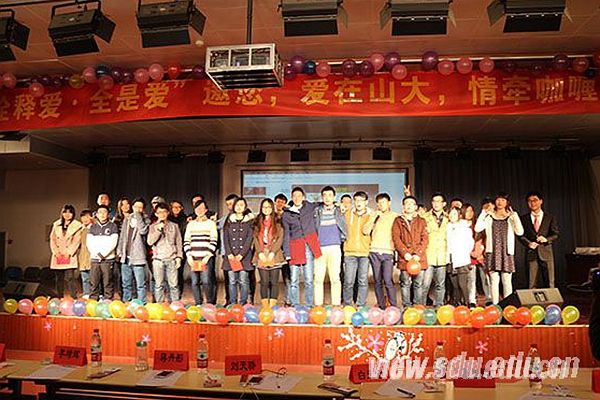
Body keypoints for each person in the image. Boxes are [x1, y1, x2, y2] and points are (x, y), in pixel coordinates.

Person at [475, 193, 524, 305]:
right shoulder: (489, 216)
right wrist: (483, 213)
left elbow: (520, 232)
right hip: (492, 251)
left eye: (503, 200)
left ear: (507, 202)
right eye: (498, 199)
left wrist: (515, 216)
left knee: (506, 280)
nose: (500, 202)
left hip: (506, 252)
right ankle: (495, 305)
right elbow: (478, 228)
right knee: (493, 280)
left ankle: (508, 305)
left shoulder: (511, 216)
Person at [282, 187, 321, 308]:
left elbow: (322, 203)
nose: (297, 198)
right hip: (294, 246)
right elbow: (286, 234)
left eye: (299, 196)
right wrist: (287, 252)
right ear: (291, 198)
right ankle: (295, 305)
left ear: (303, 197)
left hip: (308, 246)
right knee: (294, 280)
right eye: (294, 196)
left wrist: (339, 205)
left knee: (309, 279)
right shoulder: (287, 214)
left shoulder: (309, 207)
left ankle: (309, 305)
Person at [392, 196, 428, 308]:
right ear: (403, 206)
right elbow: (396, 239)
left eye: (411, 203)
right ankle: (406, 307)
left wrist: (418, 254)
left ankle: (417, 307)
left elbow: (425, 239)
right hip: (405, 258)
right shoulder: (398, 221)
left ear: (415, 207)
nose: (409, 206)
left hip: (419, 259)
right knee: (405, 284)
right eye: (406, 203)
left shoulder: (422, 221)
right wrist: (405, 254)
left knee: (418, 284)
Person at [518, 191, 560, 288]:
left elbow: (555, 234)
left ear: (541, 201)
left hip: (546, 253)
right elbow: (520, 235)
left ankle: (551, 298)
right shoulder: (523, 219)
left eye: (535, 200)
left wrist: (546, 239)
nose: (532, 203)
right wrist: (528, 243)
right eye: (530, 201)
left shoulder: (549, 217)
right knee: (531, 283)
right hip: (531, 253)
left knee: (550, 282)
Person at [364, 193, 398, 309]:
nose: (381, 205)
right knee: (377, 281)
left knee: (388, 280)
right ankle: (381, 306)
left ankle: (393, 306)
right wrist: (373, 218)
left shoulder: (395, 216)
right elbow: (365, 231)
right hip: (374, 251)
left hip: (388, 252)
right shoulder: (374, 215)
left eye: (383, 202)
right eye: (379, 203)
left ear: (389, 203)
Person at [314, 186, 347, 306]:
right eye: (325, 195)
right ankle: (318, 305)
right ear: (322, 197)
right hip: (319, 248)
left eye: (330, 195)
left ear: (334, 197)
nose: (327, 198)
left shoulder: (339, 210)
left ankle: (336, 305)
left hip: (335, 247)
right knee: (318, 279)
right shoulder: (317, 211)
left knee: (335, 278)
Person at [184, 200, 218, 305]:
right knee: (195, 282)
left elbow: (214, 240)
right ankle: (198, 303)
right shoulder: (191, 224)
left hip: (206, 257)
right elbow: (186, 241)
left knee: (206, 281)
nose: (199, 210)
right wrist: (189, 256)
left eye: (202, 208)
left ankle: (210, 303)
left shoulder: (211, 224)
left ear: (206, 210)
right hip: (193, 257)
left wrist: (207, 256)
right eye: (197, 208)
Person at [147, 203, 183, 303]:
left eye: (164, 212)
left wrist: (179, 257)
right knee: (159, 285)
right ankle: (160, 306)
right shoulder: (152, 227)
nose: (162, 214)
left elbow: (179, 243)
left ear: (168, 213)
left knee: (174, 285)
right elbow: (150, 242)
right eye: (159, 212)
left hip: (172, 258)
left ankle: (175, 306)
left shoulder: (174, 226)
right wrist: (158, 230)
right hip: (158, 260)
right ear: (156, 214)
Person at [117, 197, 150, 303]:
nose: (137, 209)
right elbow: (122, 236)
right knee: (126, 283)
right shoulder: (127, 219)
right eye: (136, 207)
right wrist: (119, 251)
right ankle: (126, 302)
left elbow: (143, 231)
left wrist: (138, 216)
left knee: (140, 284)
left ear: (143, 209)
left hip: (138, 256)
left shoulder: (146, 219)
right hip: (125, 256)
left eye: (140, 207)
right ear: (132, 207)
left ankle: (141, 303)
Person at [253, 198, 285, 308]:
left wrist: (272, 252)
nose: (266, 209)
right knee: (264, 282)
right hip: (261, 253)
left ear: (272, 208)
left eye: (268, 207)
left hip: (275, 254)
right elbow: (255, 239)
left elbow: (280, 238)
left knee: (274, 282)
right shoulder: (257, 222)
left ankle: (272, 307)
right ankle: (265, 307)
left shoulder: (278, 221)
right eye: (264, 207)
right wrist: (260, 252)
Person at [222, 197, 255, 304]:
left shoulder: (249, 221)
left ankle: (243, 303)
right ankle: (233, 303)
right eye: (237, 205)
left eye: (241, 205)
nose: (239, 207)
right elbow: (225, 238)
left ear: (245, 207)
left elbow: (249, 239)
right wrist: (229, 253)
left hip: (244, 257)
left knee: (243, 280)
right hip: (231, 257)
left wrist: (241, 254)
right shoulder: (229, 220)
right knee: (232, 281)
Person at [342, 191, 371, 307]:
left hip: (364, 253)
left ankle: (361, 305)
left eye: (361, 200)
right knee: (348, 281)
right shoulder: (347, 214)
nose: (358, 203)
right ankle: (348, 304)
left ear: (366, 202)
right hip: (350, 253)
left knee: (362, 281)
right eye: (356, 200)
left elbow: (369, 231)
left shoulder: (371, 216)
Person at [49, 204, 83, 299]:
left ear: (73, 214)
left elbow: (77, 241)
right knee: (59, 278)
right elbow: (52, 239)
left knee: (70, 277)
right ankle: (59, 297)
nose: (67, 214)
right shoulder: (56, 224)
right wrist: (56, 252)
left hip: (69, 255)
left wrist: (69, 252)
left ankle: (74, 297)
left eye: (70, 212)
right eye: (65, 212)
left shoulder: (77, 225)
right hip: (58, 255)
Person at [422, 193, 449, 308]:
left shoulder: (448, 218)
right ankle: (421, 306)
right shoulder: (425, 217)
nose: (436, 204)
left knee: (440, 284)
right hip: (429, 254)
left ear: (444, 204)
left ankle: (439, 306)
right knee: (425, 284)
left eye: (439, 201)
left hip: (442, 255)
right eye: (434, 201)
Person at [87, 205, 119, 300]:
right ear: (96, 214)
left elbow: (113, 243)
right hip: (95, 259)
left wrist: (103, 255)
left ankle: (108, 301)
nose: (102, 214)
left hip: (107, 260)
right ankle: (93, 301)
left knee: (107, 282)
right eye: (100, 212)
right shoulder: (92, 227)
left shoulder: (113, 226)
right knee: (94, 282)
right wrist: (96, 254)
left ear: (108, 214)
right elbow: (89, 243)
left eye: (104, 212)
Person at [446, 207, 475, 306]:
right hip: (450, 259)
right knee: (455, 286)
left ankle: (467, 304)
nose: (452, 216)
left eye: (454, 214)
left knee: (462, 284)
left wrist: (463, 252)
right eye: (450, 213)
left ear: (459, 215)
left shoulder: (464, 227)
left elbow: (470, 243)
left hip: (462, 259)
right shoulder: (447, 227)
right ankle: (457, 305)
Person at [464, 202, 490, 307]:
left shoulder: (477, 225)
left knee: (485, 278)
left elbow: (483, 239)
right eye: (467, 211)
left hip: (480, 255)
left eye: (471, 211)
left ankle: (489, 298)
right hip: (468, 256)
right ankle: (472, 300)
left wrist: (480, 252)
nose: (469, 213)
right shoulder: (460, 226)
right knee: (471, 279)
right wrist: (470, 253)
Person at [218, 194, 239, 305]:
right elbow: (216, 225)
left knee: (243, 279)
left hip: (240, 254)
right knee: (228, 279)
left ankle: (244, 301)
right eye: (228, 204)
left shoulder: (246, 216)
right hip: (226, 253)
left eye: (231, 203)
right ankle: (229, 300)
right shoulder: (225, 218)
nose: (230, 206)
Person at [112, 196, 131, 298]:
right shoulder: (116, 220)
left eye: (127, 204)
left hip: (131, 250)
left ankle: (132, 295)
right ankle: (122, 294)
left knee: (131, 274)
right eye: (123, 205)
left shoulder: (134, 217)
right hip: (120, 250)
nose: (125, 206)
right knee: (120, 274)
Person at [274, 193, 291, 305]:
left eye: (282, 202)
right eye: (278, 202)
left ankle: (288, 300)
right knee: (272, 279)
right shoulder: (271, 216)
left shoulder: (288, 215)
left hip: (286, 250)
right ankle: (271, 302)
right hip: (274, 250)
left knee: (287, 277)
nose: (280, 204)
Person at [169, 200, 188, 295]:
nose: (176, 209)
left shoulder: (186, 219)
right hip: (169, 249)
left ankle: (178, 294)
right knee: (169, 273)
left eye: (178, 207)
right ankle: (170, 294)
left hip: (181, 249)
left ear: (182, 208)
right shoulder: (167, 219)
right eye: (174, 207)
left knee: (179, 272)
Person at [78, 210, 94, 299]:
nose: (85, 219)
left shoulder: (94, 228)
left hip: (92, 256)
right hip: (83, 256)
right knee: (84, 278)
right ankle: (86, 294)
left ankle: (95, 295)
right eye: (83, 217)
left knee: (94, 278)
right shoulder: (81, 229)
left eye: (87, 217)